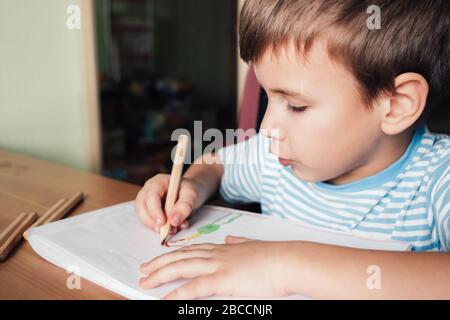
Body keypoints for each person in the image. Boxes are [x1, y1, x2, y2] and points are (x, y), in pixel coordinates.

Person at [135, 0, 450, 299]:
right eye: (267, 98)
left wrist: (281, 265)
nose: (266, 127)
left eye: (296, 106)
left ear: (396, 106)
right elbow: (216, 166)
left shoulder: (438, 177)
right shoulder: (276, 161)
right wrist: (191, 186)